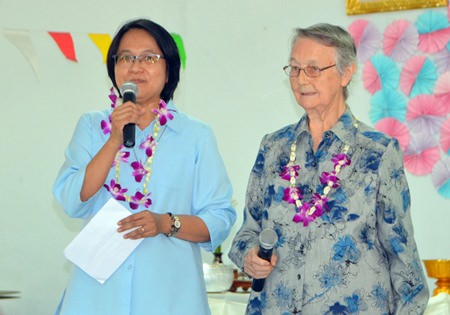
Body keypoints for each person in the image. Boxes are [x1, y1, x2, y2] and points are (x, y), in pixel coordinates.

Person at [228, 23, 429, 314]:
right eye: (295, 69)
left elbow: (403, 260)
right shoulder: (273, 148)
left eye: (313, 69)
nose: (300, 79)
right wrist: (248, 256)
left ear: (346, 73)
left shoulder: (378, 152)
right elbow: (248, 232)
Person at [53, 18, 236, 315]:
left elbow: (219, 219)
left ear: (169, 70)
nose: (135, 67)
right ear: (114, 67)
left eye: (149, 58)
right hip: (98, 298)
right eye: (125, 57)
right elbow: (72, 201)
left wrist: (166, 223)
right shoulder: (91, 126)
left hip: (169, 296)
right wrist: (113, 140)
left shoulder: (195, 136)